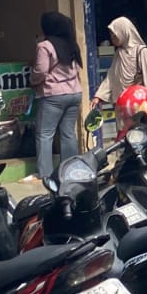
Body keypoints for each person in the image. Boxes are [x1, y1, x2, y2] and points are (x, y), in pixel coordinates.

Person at [95, 16, 147, 150]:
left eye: (114, 33)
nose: (112, 37)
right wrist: (99, 96)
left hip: (139, 106)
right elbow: (111, 76)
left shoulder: (142, 53)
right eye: (111, 34)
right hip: (123, 107)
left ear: (124, 32)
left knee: (139, 138)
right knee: (124, 139)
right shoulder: (119, 54)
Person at [31, 11, 84, 182]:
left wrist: (33, 80)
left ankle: (45, 174)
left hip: (53, 95)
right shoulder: (71, 45)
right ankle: (70, 170)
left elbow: (40, 71)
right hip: (74, 92)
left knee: (45, 134)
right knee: (68, 133)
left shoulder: (44, 46)